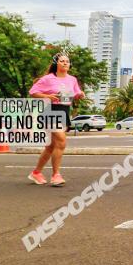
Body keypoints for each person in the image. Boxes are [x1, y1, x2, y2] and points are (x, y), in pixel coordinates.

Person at [27, 53, 84, 186]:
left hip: (64, 111)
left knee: (51, 146)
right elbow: (33, 92)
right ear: (56, 64)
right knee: (61, 141)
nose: (65, 63)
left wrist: (80, 94)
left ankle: (36, 173)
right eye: (62, 61)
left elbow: (75, 94)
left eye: (67, 61)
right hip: (51, 110)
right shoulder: (48, 79)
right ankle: (56, 175)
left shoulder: (72, 79)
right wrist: (47, 96)